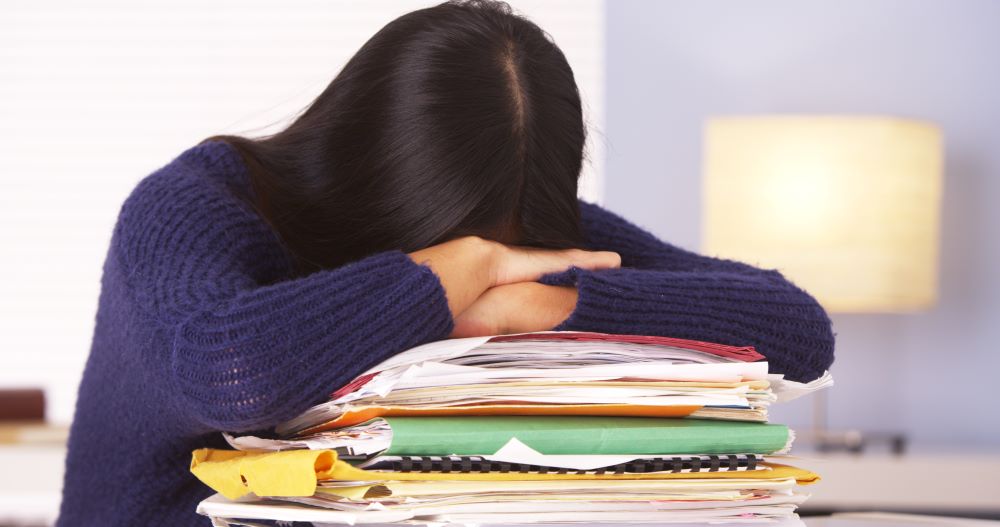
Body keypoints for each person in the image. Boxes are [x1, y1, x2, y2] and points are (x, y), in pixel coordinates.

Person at [56, 0, 835, 524]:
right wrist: (438, 280)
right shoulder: (192, 206)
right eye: (463, 247)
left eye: (496, 248)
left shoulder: (518, 236)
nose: (491, 263)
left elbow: (798, 330)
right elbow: (226, 369)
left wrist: (547, 305)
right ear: (365, 169)